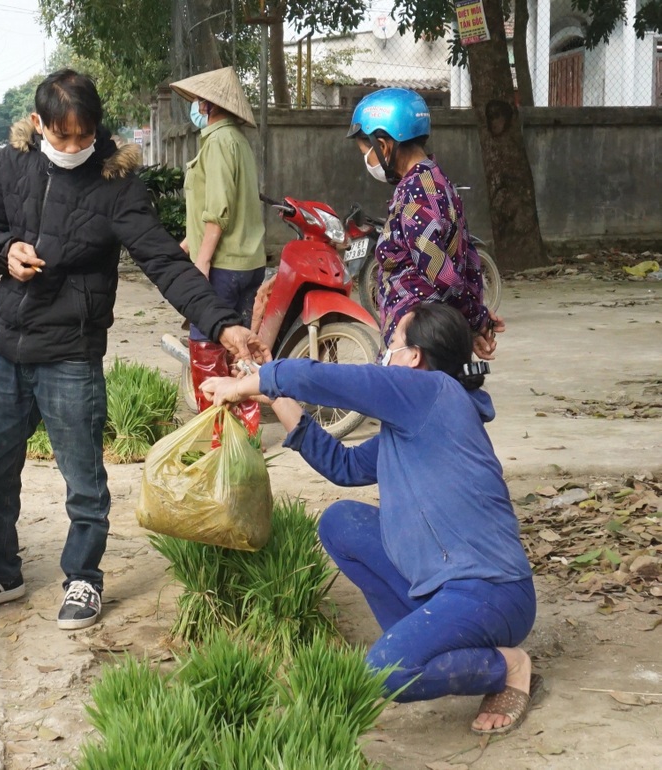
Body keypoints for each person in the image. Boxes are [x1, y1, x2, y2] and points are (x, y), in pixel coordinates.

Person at [0, 69, 268, 630]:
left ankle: (83, 580)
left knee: (83, 479)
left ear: (97, 128)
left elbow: (166, 262)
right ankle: (1, 568)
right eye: (62, 136)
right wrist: (4, 252)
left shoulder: (116, 185)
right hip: (9, 348)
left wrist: (222, 324)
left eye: (83, 135)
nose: (73, 147)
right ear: (38, 125)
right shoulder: (12, 164)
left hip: (71, 351)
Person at [201, 302, 540, 736]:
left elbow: (330, 379)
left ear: (414, 357)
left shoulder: (433, 392)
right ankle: (420, 640)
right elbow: (341, 468)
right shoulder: (412, 424)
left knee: (386, 672)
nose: (387, 352)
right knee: (342, 522)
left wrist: (245, 384)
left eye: (393, 343)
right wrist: (275, 395)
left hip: (492, 592)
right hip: (443, 587)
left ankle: (508, 666)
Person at [348, 88, 504, 360]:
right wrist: (472, 322)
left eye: (367, 151)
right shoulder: (434, 181)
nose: (367, 161)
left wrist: (477, 319)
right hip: (431, 337)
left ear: (384, 146)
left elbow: (441, 272)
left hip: (418, 346)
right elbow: (467, 261)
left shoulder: (416, 194)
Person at [170, 67, 267, 429]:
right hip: (248, 263)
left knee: (207, 345)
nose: (195, 107)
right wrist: (185, 245)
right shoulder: (238, 141)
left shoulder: (216, 143)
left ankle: (220, 434)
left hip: (223, 266)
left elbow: (217, 215)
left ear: (207, 105)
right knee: (241, 348)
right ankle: (247, 433)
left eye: (198, 102)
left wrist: (202, 262)